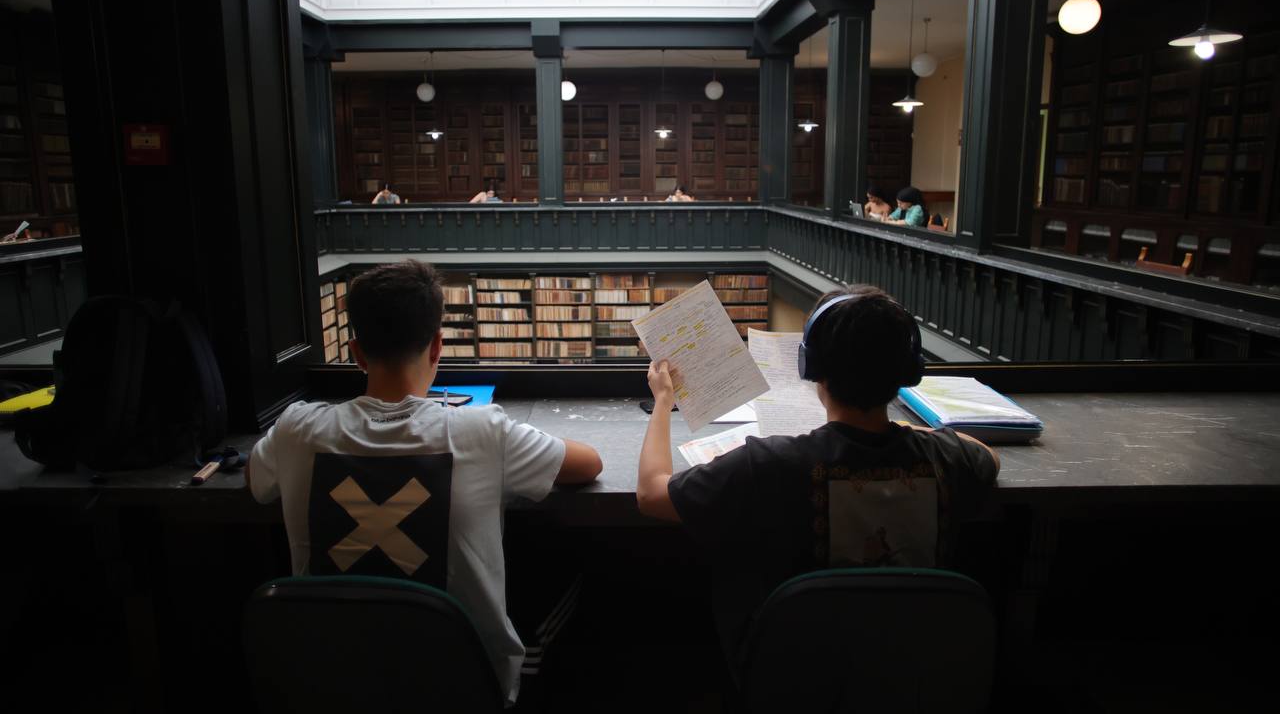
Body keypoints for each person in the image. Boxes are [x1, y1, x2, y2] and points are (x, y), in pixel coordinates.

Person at [247, 260, 603, 706]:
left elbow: (256, 481)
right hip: (462, 687)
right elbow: (588, 464)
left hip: (330, 680)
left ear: (355, 352)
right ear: (437, 346)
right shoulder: (481, 432)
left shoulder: (295, 430)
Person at [635, 285, 999, 681]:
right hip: (916, 671)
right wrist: (901, 428)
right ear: (908, 372)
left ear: (811, 368)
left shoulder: (769, 465)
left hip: (795, 674)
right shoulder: (944, 456)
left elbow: (652, 493)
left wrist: (662, 401)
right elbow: (988, 456)